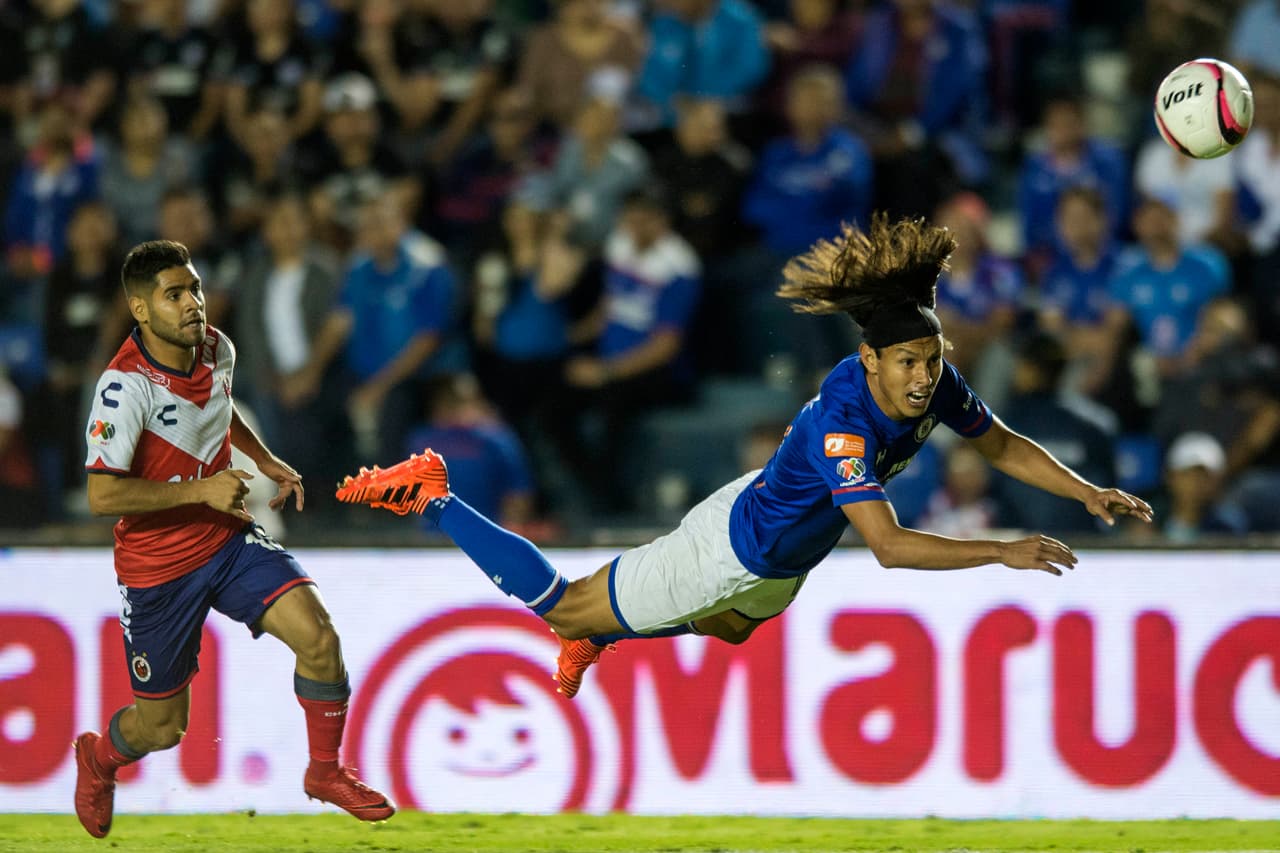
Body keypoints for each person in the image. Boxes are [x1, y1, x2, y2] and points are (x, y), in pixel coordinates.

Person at [333, 214, 1152, 701]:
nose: (925, 377)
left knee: (728, 630)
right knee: (567, 608)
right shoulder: (846, 426)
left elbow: (1000, 441)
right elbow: (893, 548)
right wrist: (1002, 550)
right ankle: (434, 495)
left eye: (932, 362)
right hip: (735, 545)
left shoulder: (928, 379)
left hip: (780, 547)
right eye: (909, 363)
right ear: (870, 361)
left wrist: (1087, 491)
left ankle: (610, 632)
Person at [74, 241, 394, 839]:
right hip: (158, 568)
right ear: (140, 310)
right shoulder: (122, 389)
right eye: (174, 295)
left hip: (226, 541)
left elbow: (218, 411)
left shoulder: (217, 347)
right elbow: (103, 497)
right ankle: (98, 757)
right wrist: (199, 492)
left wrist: (267, 460)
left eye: (193, 287)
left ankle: (325, 772)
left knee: (320, 638)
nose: (193, 303)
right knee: (162, 729)